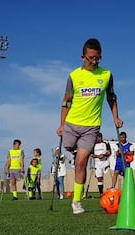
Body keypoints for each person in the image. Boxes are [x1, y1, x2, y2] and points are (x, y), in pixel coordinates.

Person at [56, 38, 123, 214]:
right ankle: (77, 151)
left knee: (81, 163)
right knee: (70, 147)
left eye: (98, 58)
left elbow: (111, 98)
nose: (94, 61)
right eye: (91, 58)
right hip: (72, 123)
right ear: (83, 56)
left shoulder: (106, 75)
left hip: (91, 127)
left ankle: (76, 202)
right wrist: (62, 125)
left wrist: (116, 117)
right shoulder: (74, 76)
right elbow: (66, 102)